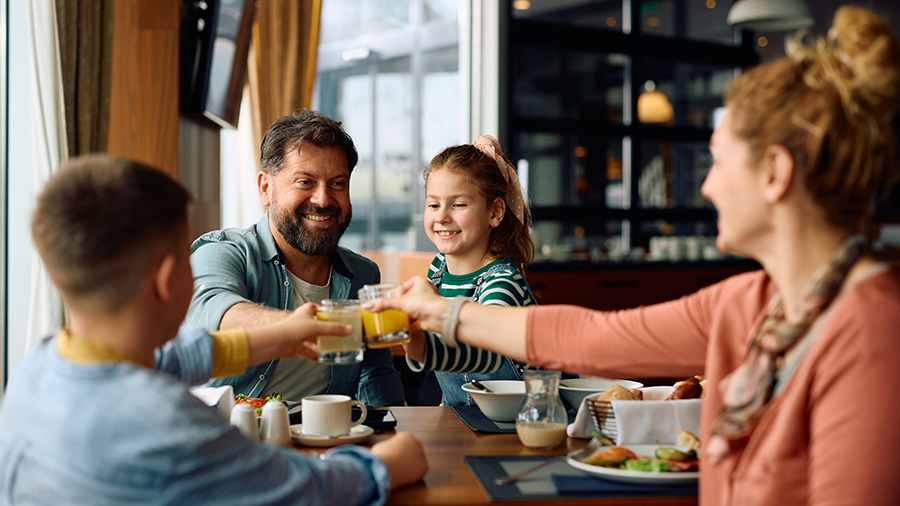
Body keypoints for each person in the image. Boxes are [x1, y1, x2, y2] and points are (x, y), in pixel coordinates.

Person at [363, 7, 900, 505]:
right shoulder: (754, 301)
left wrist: (444, 316)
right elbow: (594, 338)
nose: (707, 187)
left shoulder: (872, 330)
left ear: (776, 173)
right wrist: (438, 313)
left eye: (717, 162)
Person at [0, 155, 427, 505]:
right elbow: (305, 489)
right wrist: (387, 465)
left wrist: (287, 333)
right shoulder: (167, 425)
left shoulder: (38, 366)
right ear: (168, 280)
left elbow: (178, 356)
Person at [187, 109, 404, 406]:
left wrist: (390, 426)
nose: (323, 199)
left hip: (324, 441)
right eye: (305, 182)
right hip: (229, 437)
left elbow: (374, 374)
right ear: (266, 188)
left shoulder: (363, 275)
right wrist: (292, 329)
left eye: (338, 183)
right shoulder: (223, 251)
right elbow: (211, 313)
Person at [406, 135, 541, 406]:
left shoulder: (503, 281)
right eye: (433, 204)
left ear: (495, 212)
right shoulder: (437, 269)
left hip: (519, 422)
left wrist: (419, 343)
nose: (442, 216)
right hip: (465, 417)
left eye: (458, 205)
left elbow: (480, 353)